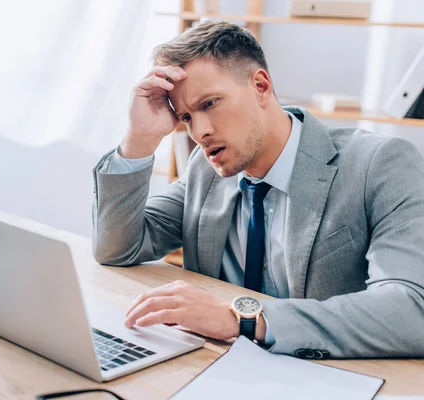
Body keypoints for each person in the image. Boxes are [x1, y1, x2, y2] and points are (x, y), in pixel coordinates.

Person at [91, 20, 424, 358]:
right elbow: (118, 248)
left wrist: (244, 320)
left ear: (261, 86)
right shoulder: (204, 172)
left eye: (209, 104)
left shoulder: (379, 164)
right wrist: (139, 140)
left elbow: (413, 311)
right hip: (214, 364)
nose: (200, 132)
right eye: (186, 117)